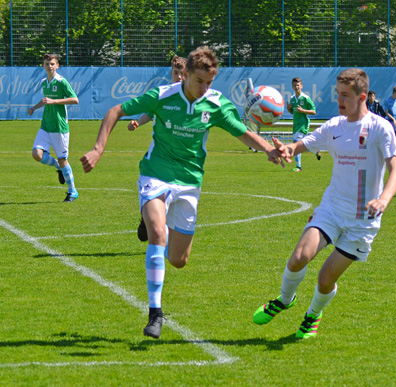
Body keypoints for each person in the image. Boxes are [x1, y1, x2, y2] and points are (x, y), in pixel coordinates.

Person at [80, 46, 286, 339]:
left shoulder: (215, 105)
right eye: (199, 81)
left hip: (190, 182)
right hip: (157, 172)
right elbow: (116, 111)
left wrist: (268, 149)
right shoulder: (162, 96)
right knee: (158, 235)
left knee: (178, 260)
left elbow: (241, 131)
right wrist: (98, 149)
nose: (204, 88)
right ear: (185, 75)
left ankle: (154, 217)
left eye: (210, 83)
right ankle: (155, 313)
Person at [253, 68, 396, 339]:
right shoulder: (334, 126)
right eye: (338, 94)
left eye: (345, 95)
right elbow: (304, 144)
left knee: (324, 279)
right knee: (299, 258)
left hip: (362, 221)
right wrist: (288, 150)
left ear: (363, 97)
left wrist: (383, 199)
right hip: (332, 209)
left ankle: (312, 316)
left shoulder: (381, 128)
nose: (339, 100)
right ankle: (285, 300)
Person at [129, 55, 187, 243]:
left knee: (173, 197)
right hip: (160, 157)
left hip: (182, 158)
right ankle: (151, 221)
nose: (179, 77)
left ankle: (153, 221)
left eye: (182, 74)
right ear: (171, 74)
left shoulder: (192, 98)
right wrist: (138, 122)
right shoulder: (164, 94)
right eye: (176, 73)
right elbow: (150, 112)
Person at [28, 53, 80, 202]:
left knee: (63, 159)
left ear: (57, 65)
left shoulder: (62, 82)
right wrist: (34, 108)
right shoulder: (44, 82)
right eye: (47, 64)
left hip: (59, 126)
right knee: (36, 154)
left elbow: (75, 100)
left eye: (52, 64)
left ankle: (72, 191)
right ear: (43, 66)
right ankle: (59, 167)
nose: (50, 66)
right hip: (46, 124)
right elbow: (46, 100)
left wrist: (54, 101)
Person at [287, 77, 318, 171]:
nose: (296, 87)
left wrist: (303, 110)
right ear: (292, 87)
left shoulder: (306, 98)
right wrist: (289, 108)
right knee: (305, 143)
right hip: (296, 124)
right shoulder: (292, 99)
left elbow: (314, 111)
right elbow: (293, 112)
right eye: (294, 85)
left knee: (296, 144)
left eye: (298, 85)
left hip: (303, 124)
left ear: (301, 86)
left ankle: (298, 166)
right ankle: (316, 150)